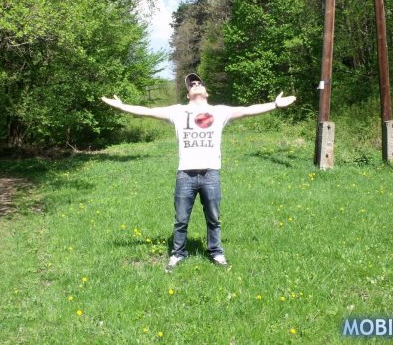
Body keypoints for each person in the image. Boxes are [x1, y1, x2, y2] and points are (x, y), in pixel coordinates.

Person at [102, 73, 296, 271]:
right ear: (188, 94)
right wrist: (122, 106)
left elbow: (247, 110)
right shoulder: (177, 111)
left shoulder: (219, 111)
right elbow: (148, 111)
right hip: (185, 174)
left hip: (210, 173)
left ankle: (216, 252)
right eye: (191, 84)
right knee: (181, 220)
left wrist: (275, 104)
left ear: (206, 92)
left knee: (214, 218)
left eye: (199, 83)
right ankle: (177, 254)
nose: (195, 84)